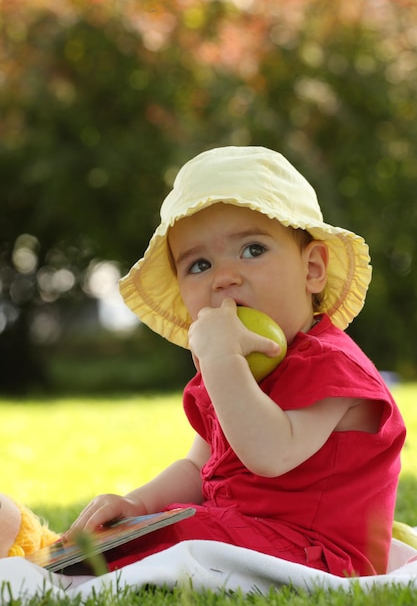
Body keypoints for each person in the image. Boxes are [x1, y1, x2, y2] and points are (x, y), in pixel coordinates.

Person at [63, 146, 406, 577]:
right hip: (249, 536)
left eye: (252, 250)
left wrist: (221, 359)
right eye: (200, 264)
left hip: (318, 554)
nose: (224, 277)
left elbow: (271, 452)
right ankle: (63, 562)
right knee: (155, 529)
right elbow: (196, 466)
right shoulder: (234, 368)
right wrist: (138, 504)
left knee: (185, 542)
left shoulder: (330, 364)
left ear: (313, 269)